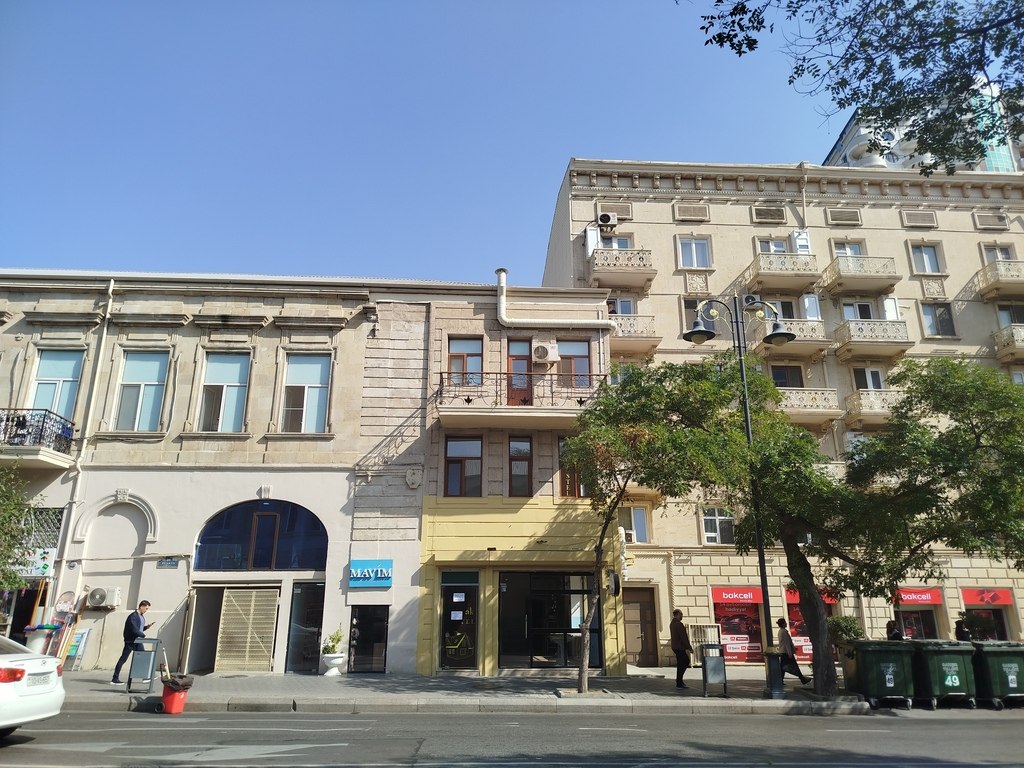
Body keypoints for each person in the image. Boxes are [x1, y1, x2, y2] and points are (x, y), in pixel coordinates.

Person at [111, 600, 154, 685]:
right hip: (131, 641)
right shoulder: (133, 616)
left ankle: (145, 677)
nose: (146, 610)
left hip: (138, 641)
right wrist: (143, 635)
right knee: (123, 659)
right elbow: (134, 630)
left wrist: (146, 627)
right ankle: (114, 679)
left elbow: (139, 629)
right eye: (146, 608)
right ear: (141, 607)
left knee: (143, 658)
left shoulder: (141, 616)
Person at [776, 618, 810, 685]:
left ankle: (780, 681)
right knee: (794, 666)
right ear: (783, 624)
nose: (786, 623)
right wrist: (790, 653)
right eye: (785, 622)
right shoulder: (784, 632)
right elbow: (787, 643)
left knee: (782, 667)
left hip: (783, 652)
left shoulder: (780, 631)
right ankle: (802, 679)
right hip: (786, 652)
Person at [668, 608, 694, 689]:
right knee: (685, 661)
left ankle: (679, 681)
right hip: (679, 647)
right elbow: (684, 637)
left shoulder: (672, 623)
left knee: (681, 663)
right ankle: (679, 681)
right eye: (681, 614)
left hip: (675, 646)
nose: (682, 616)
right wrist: (689, 647)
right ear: (677, 615)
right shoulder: (678, 624)